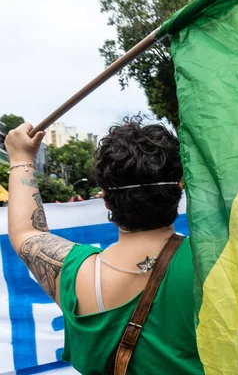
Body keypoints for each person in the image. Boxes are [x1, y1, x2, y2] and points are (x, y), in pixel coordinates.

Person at [6, 118, 203, 374]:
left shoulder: (75, 274)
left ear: (106, 198)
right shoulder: (211, 262)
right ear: (178, 190)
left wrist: (21, 160)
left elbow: (27, 233)